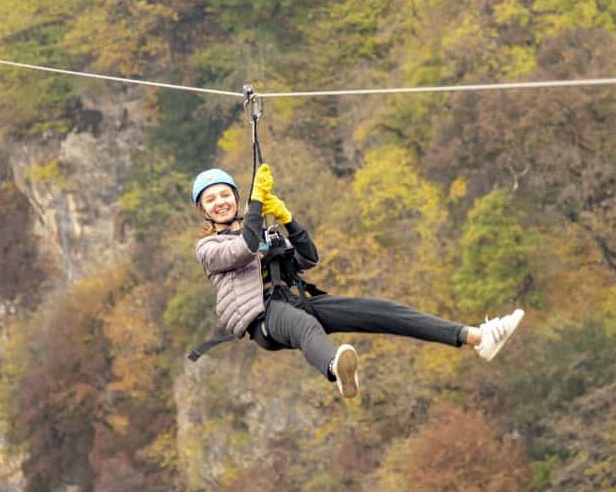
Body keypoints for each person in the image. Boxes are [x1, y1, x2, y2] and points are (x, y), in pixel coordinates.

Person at [191, 164, 524, 399]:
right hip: (264, 318)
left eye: (225, 195)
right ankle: (335, 368)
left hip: (295, 299)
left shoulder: (261, 230)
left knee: (381, 311)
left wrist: (289, 220)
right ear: (204, 211)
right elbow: (244, 247)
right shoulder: (208, 248)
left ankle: (477, 338)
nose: (220, 202)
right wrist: (256, 203)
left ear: (234, 197)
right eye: (211, 199)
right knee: (306, 327)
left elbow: (308, 257)